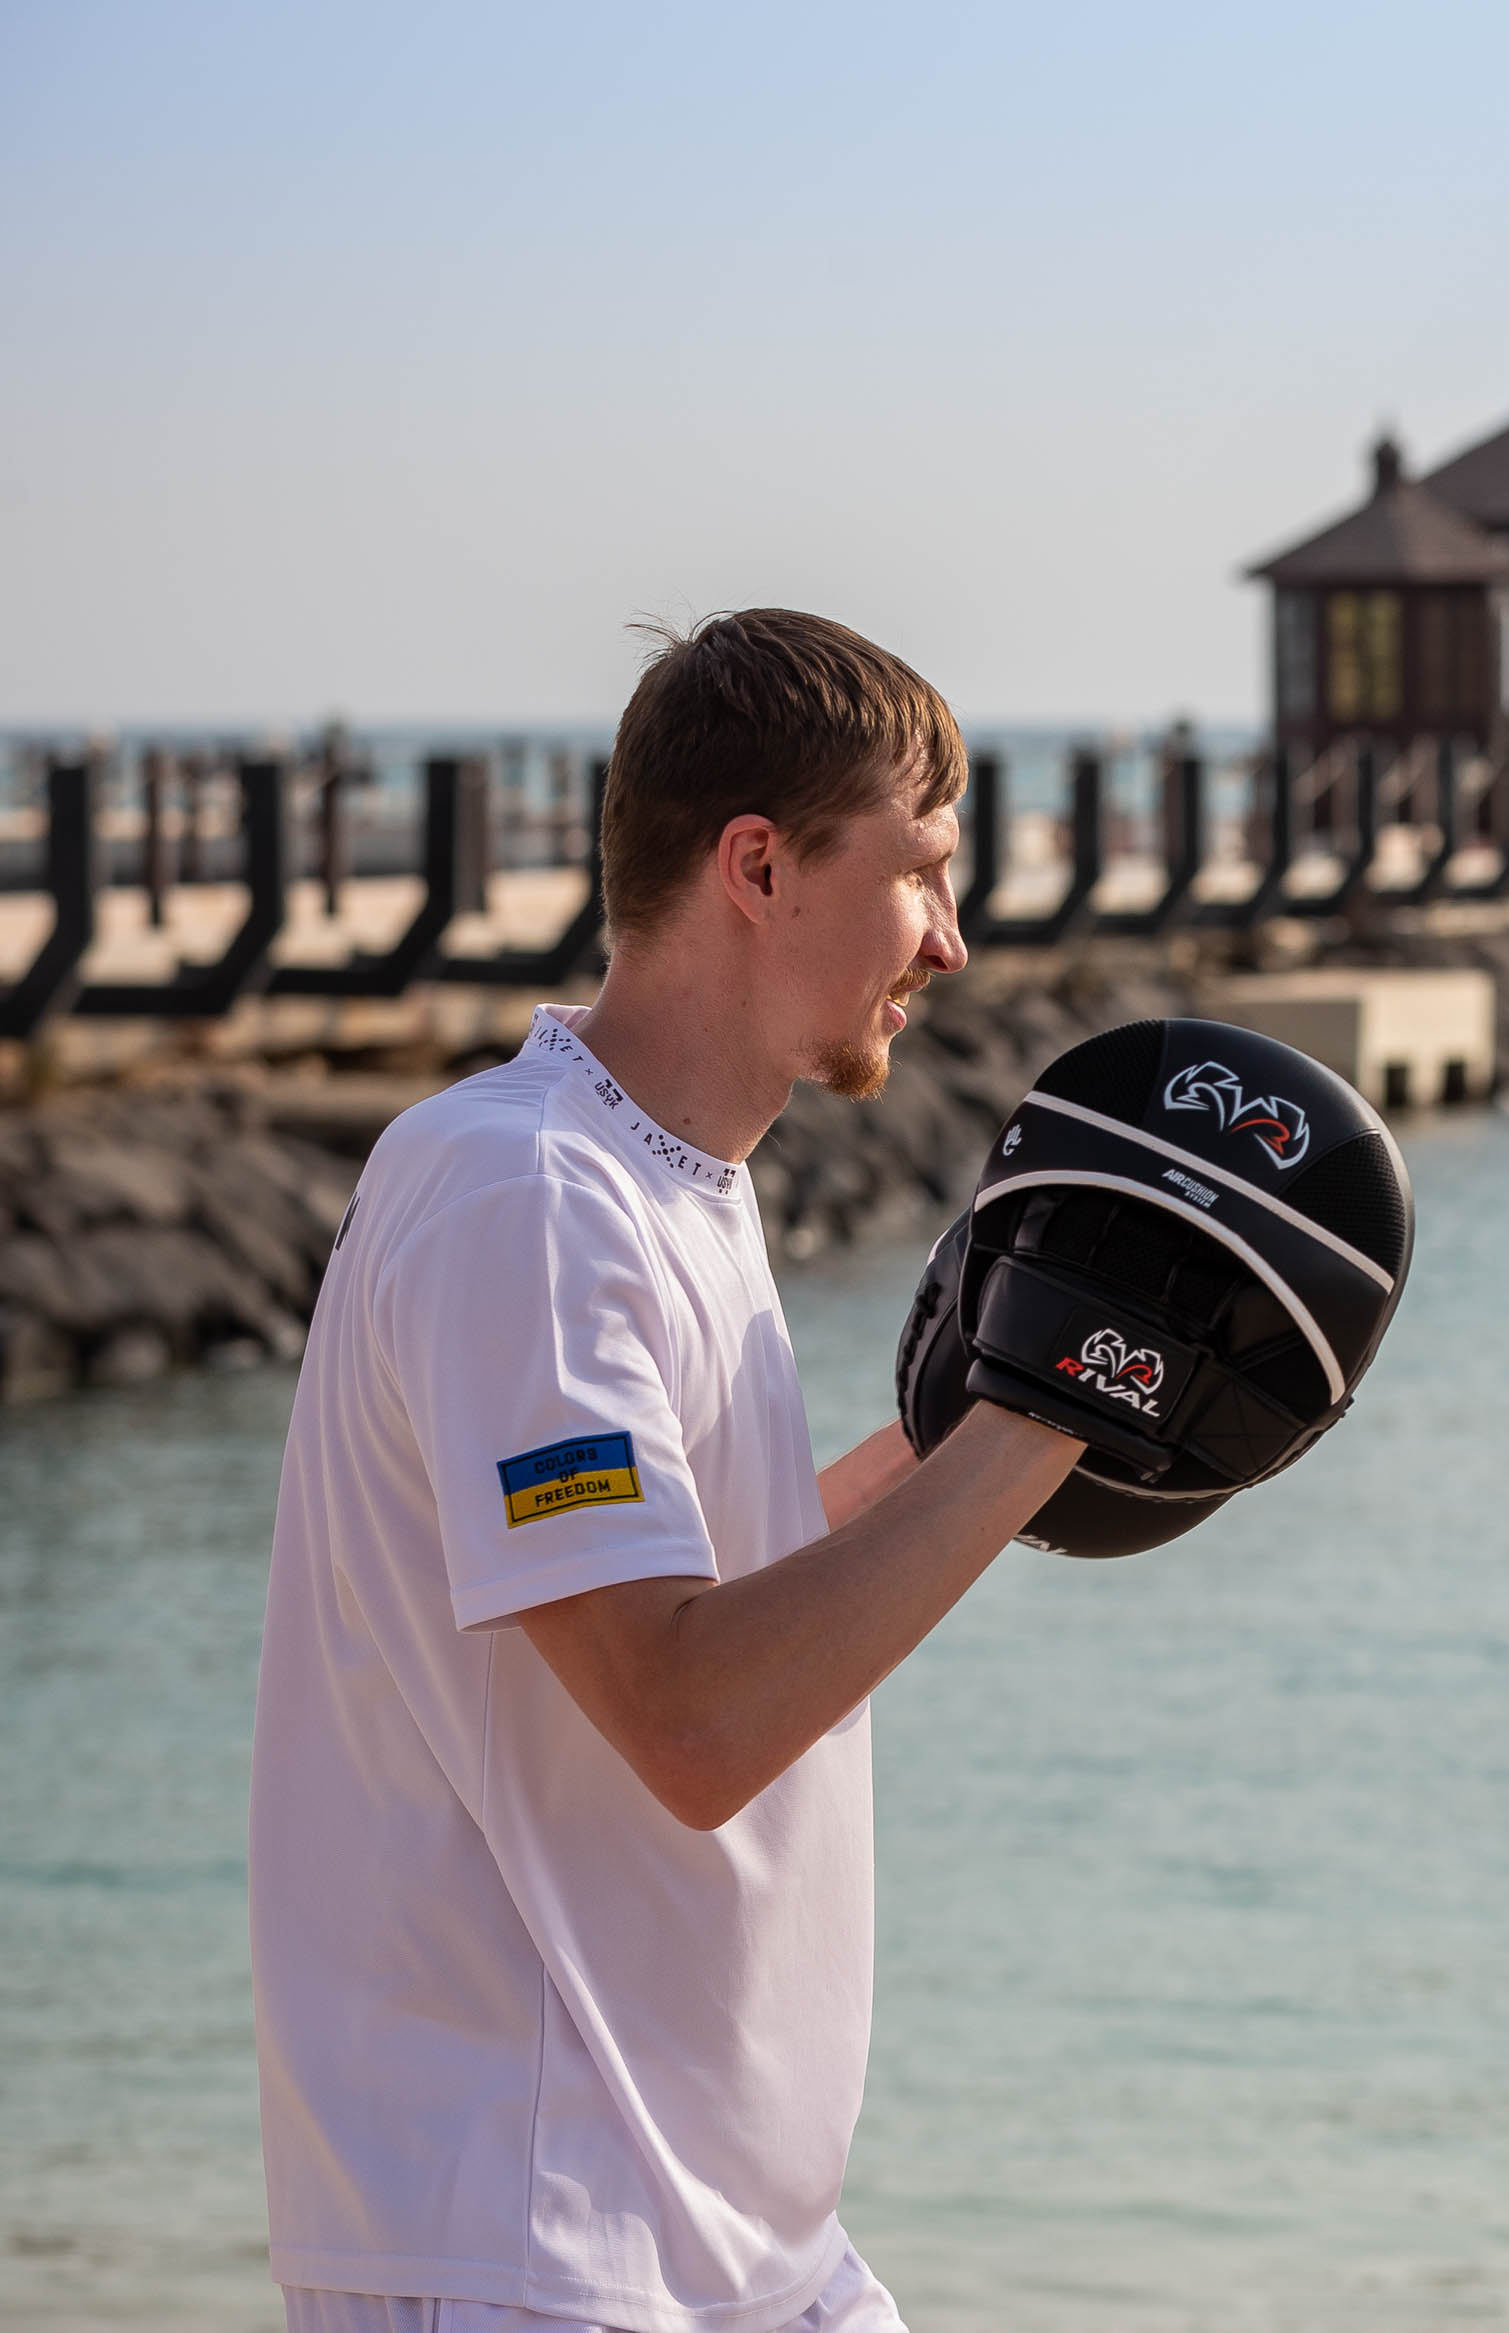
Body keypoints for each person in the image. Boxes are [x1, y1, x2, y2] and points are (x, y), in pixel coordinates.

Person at [249, 611, 1084, 2333]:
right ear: (760, 866)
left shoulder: (658, 1184)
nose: (953, 935)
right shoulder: (527, 1197)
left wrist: (1004, 1430)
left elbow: (726, 1577)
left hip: (727, 2240)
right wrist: (1042, 1425)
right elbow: (687, 1709)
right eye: (922, 870)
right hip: (530, 2233)